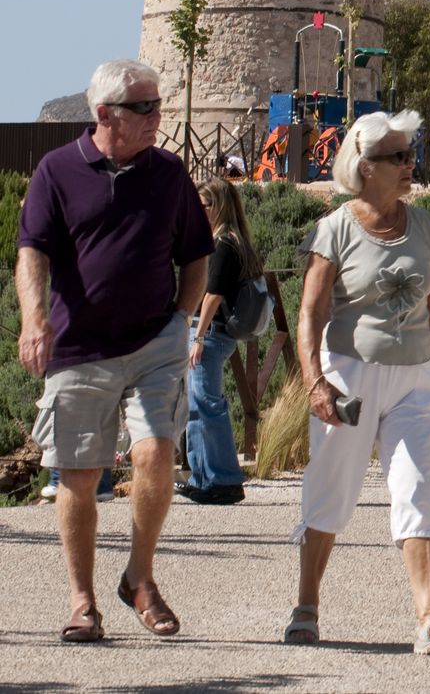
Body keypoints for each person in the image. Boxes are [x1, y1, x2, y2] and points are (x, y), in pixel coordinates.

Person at [17, 58, 214, 643]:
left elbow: (197, 254)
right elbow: (32, 253)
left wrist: (180, 321)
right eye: (145, 107)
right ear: (105, 115)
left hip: (154, 341)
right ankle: (83, 601)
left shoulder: (170, 174)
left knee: (156, 455)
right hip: (79, 346)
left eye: (158, 105)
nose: (158, 117)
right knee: (79, 475)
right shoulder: (56, 171)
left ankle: (140, 578)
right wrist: (34, 320)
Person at [287, 109, 430, 654]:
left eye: (411, 154)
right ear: (365, 165)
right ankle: (307, 604)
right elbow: (310, 314)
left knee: (418, 488)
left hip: (415, 378)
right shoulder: (335, 229)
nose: (409, 165)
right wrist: (315, 382)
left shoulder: (426, 226)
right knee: (332, 487)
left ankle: (429, 618)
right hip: (348, 374)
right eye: (398, 156)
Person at [179, 178, 260, 505]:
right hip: (211, 332)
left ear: (221, 206)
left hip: (209, 332)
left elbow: (212, 295)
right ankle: (202, 478)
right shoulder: (230, 241)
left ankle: (223, 479)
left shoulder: (224, 244)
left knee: (206, 405)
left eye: (206, 204)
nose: (200, 211)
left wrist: (197, 336)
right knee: (198, 404)